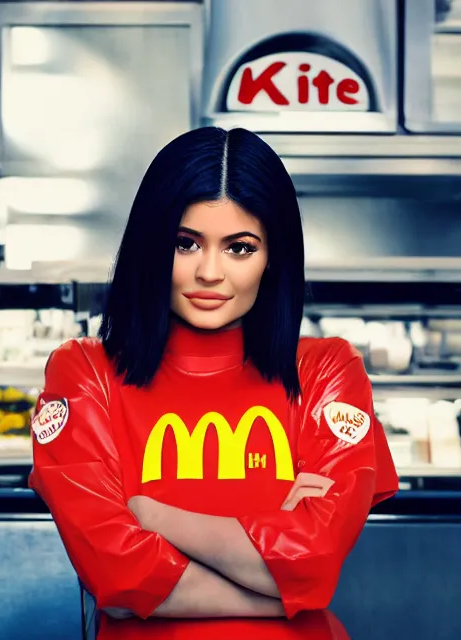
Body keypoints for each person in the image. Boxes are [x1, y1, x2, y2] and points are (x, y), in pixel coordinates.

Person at [29, 127, 398, 640]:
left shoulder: (326, 372)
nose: (209, 271)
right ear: (150, 247)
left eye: (240, 249)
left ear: (273, 259)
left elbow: (316, 556)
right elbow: (116, 574)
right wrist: (278, 586)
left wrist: (150, 514)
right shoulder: (84, 373)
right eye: (186, 243)